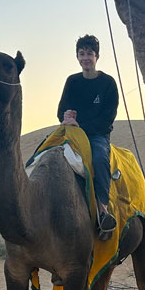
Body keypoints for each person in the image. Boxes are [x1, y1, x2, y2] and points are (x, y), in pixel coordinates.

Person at [58, 34, 119, 241]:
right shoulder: (72, 82)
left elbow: (107, 119)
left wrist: (81, 125)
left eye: (89, 54)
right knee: (43, 156)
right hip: (71, 132)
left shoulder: (108, 83)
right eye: (82, 54)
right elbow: (61, 110)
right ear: (77, 57)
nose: (85, 58)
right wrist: (65, 117)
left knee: (100, 158)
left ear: (97, 57)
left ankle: (103, 211)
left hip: (96, 136)